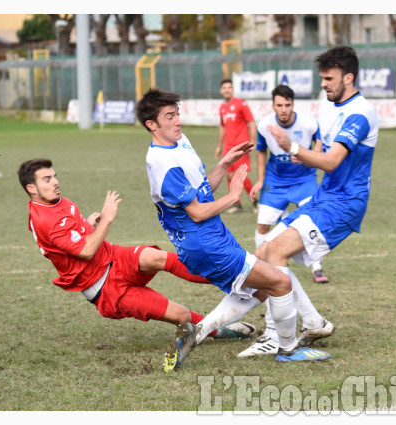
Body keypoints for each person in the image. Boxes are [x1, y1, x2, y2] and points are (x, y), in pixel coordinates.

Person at [137, 88, 333, 369]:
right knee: (281, 282)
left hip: (210, 240)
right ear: (151, 125)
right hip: (206, 244)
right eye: (170, 116)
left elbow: (201, 190)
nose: (178, 120)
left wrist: (224, 164)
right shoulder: (162, 163)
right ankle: (289, 349)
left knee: (260, 292)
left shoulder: (179, 143)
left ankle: (198, 330)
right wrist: (232, 196)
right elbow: (197, 212)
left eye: (177, 113)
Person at [18, 158, 256, 373]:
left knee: (156, 257)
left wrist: (88, 225)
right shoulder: (45, 220)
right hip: (103, 287)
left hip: (113, 256)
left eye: (55, 175)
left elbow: (76, 238)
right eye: (47, 179)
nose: (55, 182)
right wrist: (108, 219)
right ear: (32, 188)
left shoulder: (59, 202)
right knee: (181, 315)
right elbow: (86, 250)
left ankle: (235, 274)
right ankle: (216, 329)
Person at [243, 45, 379, 358]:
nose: (323, 84)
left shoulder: (361, 112)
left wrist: (293, 147)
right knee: (263, 253)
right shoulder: (329, 104)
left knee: (274, 252)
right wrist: (305, 156)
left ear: (349, 77)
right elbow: (322, 152)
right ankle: (313, 321)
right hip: (325, 196)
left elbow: (331, 161)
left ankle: (279, 338)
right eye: (321, 79)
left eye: (329, 78)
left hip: (344, 203)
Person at [250, 84, 329, 284]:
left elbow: (319, 144)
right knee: (263, 225)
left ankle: (317, 267)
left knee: (313, 220)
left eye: (287, 105)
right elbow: (260, 151)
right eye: (279, 105)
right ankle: (265, 268)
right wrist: (260, 180)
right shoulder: (264, 125)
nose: (283, 109)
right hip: (275, 180)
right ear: (273, 105)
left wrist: (308, 157)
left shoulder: (308, 123)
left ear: (293, 104)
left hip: (304, 178)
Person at [217, 78, 258, 214]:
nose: (227, 90)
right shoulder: (222, 108)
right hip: (228, 147)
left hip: (241, 146)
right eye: (224, 88)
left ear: (232, 90)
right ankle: (237, 204)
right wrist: (220, 146)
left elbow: (251, 123)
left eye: (229, 87)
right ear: (221, 91)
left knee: (241, 175)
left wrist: (252, 142)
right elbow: (223, 128)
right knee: (229, 176)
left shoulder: (241, 104)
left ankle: (255, 202)